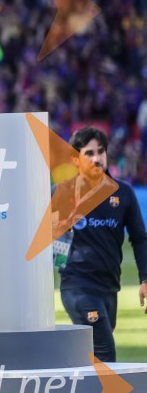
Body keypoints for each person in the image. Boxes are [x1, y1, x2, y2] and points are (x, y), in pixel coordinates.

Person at [57, 127, 147, 362]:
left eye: (101, 151)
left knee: (91, 356)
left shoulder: (123, 193)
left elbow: (139, 238)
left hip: (109, 289)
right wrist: (61, 264)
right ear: (76, 159)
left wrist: (145, 278)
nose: (97, 158)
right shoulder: (64, 193)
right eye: (89, 153)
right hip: (79, 288)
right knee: (105, 354)